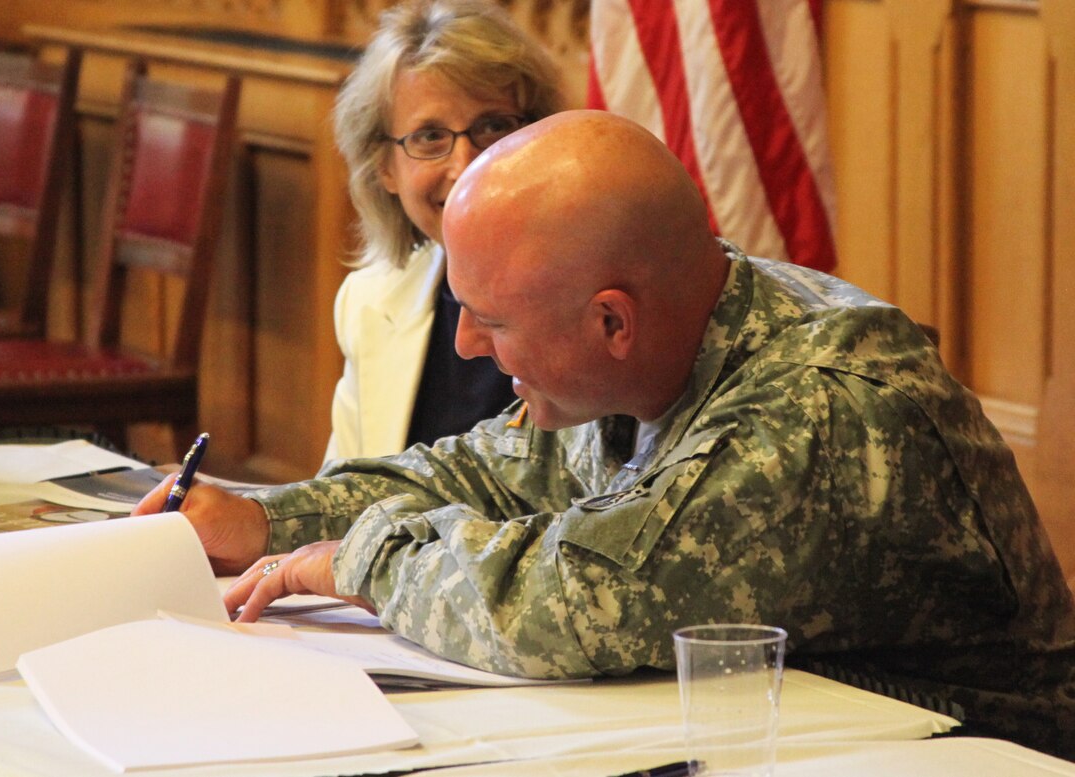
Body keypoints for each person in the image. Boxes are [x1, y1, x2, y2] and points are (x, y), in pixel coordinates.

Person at [135, 110, 1075, 759]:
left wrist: (357, 557)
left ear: (611, 322)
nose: (465, 343)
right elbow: (485, 472)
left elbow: (563, 602)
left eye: (489, 320)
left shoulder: (820, 408)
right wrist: (269, 521)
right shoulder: (666, 335)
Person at [323, 0, 564, 461]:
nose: (467, 167)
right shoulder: (369, 300)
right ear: (385, 170)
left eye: (493, 126)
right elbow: (339, 495)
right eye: (430, 136)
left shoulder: (589, 304)